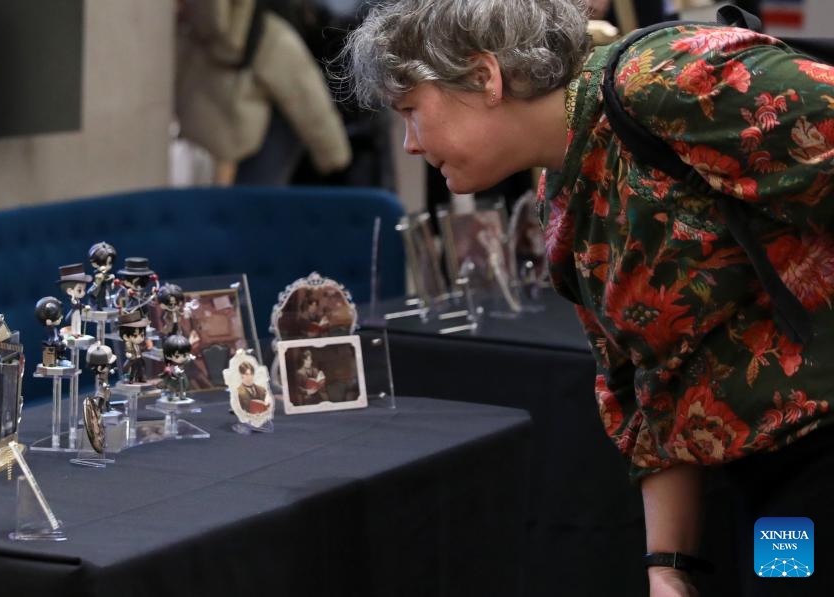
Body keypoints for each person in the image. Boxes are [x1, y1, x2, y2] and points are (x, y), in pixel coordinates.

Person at [342, 1, 834, 596]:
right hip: (772, 478)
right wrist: (668, 570)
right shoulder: (567, 195)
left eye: (411, 110)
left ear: (483, 76)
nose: (410, 143)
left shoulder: (671, 82)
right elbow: (646, 384)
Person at [175, 0, 351, 185]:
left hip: (187, 131)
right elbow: (306, 97)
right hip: (238, 145)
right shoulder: (271, 35)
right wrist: (334, 156)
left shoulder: (190, 22)